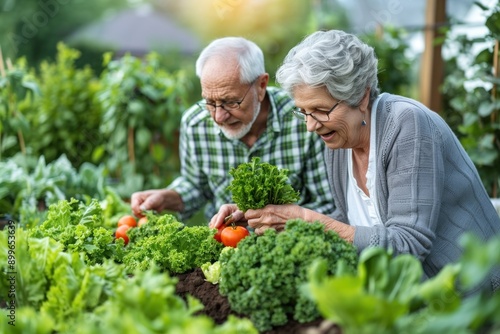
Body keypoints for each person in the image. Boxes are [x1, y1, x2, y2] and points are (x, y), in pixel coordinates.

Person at [210, 30, 500, 293]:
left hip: (470, 298)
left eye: (320, 110)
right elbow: (347, 223)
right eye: (303, 112)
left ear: (360, 97)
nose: (310, 125)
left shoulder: (407, 125)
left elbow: (407, 247)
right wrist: (268, 216)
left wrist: (304, 218)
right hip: (411, 293)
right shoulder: (339, 140)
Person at [131, 37, 334, 222]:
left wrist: (283, 219)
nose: (218, 117)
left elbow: (327, 204)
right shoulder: (196, 124)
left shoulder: (304, 121)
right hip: (224, 243)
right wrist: (170, 197)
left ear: (261, 86)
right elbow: (196, 185)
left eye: (231, 102)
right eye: (210, 102)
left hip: (289, 245)